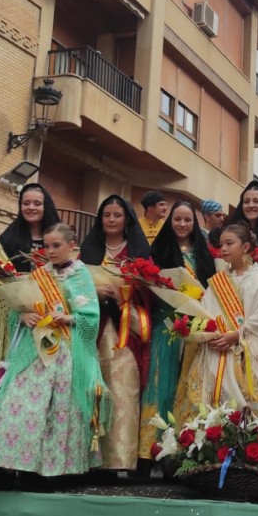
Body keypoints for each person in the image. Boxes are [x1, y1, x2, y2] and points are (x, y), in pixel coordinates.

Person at [0, 223, 110, 487]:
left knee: (58, 409)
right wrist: (23, 316)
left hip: (66, 351)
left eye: (57, 245)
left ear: (71, 245)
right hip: (34, 349)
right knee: (17, 404)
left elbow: (91, 317)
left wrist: (68, 317)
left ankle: (47, 470)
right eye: (47, 246)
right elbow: (17, 309)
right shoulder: (38, 274)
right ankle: (6, 466)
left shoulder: (81, 276)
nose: (51, 251)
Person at [173, 224, 258, 421]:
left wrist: (238, 334)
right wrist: (206, 330)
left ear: (245, 247)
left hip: (245, 348)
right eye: (221, 244)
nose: (223, 249)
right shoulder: (218, 279)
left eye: (229, 243)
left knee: (248, 398)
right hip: (216, 346)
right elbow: (207, 309)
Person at [80, 195, 151, 473]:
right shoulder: (86, 252)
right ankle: (87, 459)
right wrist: (93, 292)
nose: (111, 219)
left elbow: (151, 292)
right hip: (94, 329)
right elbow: (72, 286)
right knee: (90, 390)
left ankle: (119, 460)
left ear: (126, 220)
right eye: (106, 215)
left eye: (117, 215)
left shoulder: (139, 253)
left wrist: (128, 292)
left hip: (126, 331)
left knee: (123, 391)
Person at [140, 201, 216, 458]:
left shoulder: (206, 256)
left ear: (195, 224)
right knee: (161, 384)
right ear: (170, 222)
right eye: (177, 220)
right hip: (166, 326)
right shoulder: (158, 251)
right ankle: (151, 452)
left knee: (188, 388)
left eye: (188, 220)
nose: (182, 225)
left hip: (195, 329)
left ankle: (183, 452)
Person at [0, 183, 61, 272]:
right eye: (26, 203)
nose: (31, 207)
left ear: (46, 206)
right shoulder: (8, 238)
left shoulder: (59, 237)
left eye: (37, 204)